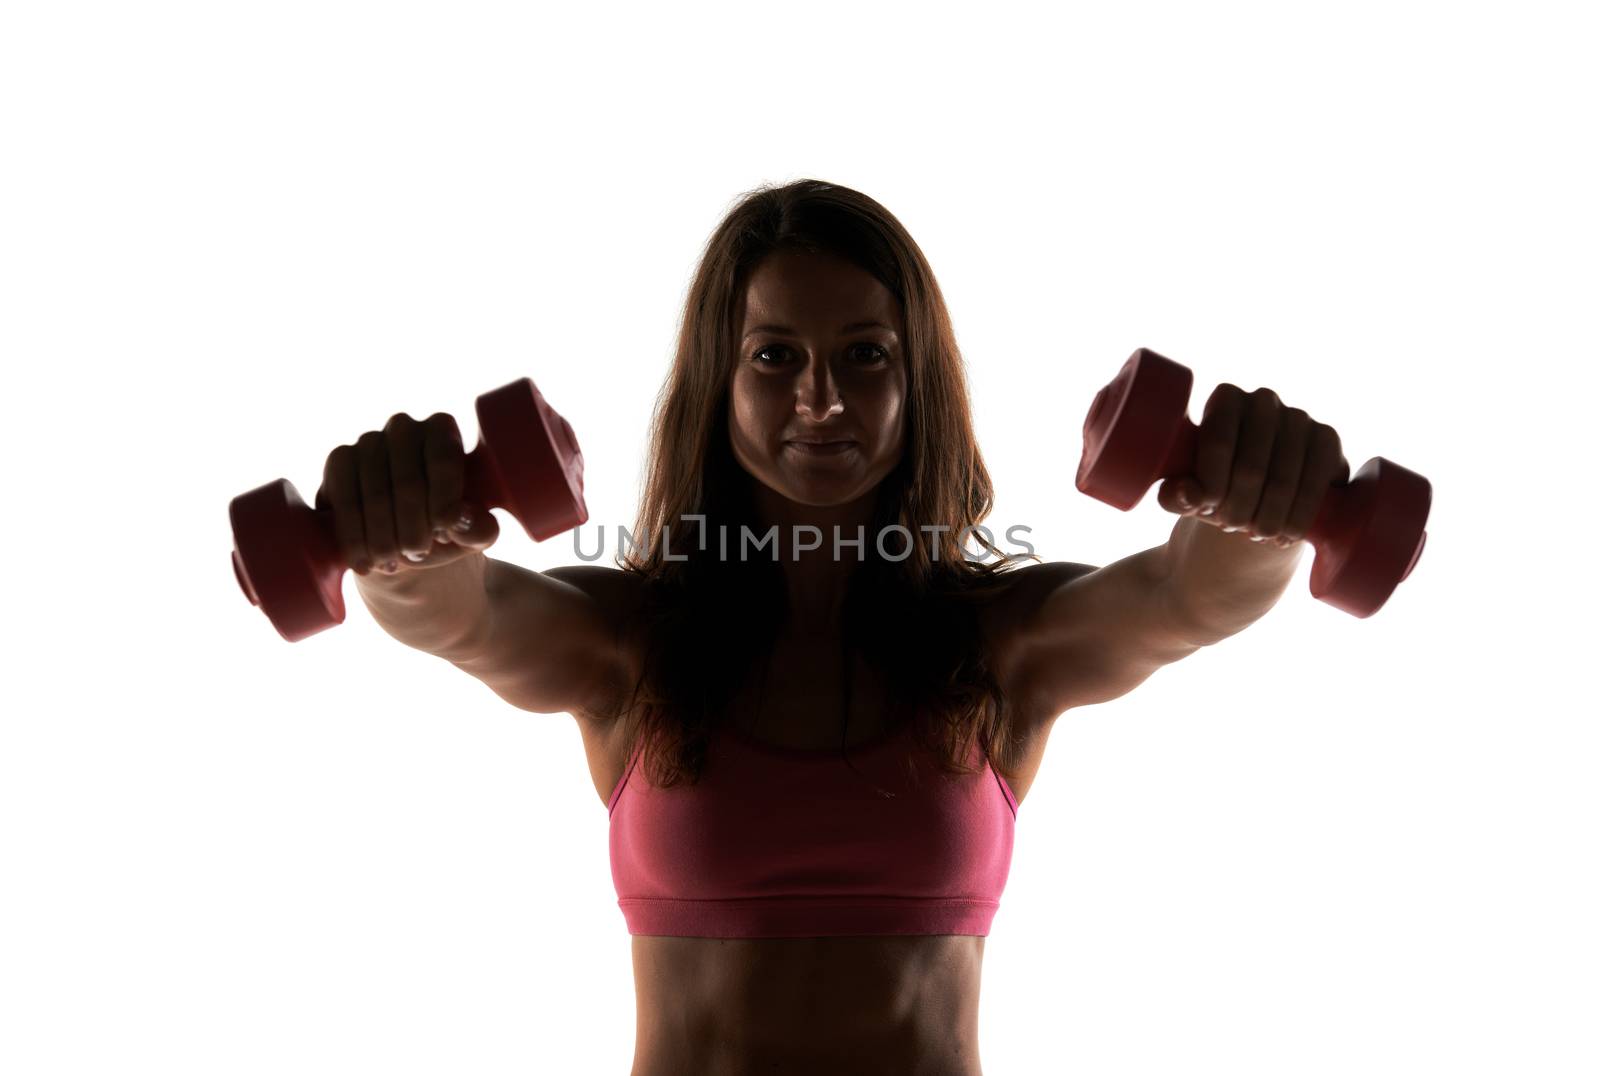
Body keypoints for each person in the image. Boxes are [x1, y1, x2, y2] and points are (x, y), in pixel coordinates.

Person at [321, 178, 1337, 1074]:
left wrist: (1256, 509)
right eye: (773, 355)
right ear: (719, 381)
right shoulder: (626, 645)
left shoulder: (1002, 645)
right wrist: (406, 543)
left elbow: (1186, 596)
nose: (819, 397)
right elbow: (466, 613)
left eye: (864, 354)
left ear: (916, 380)